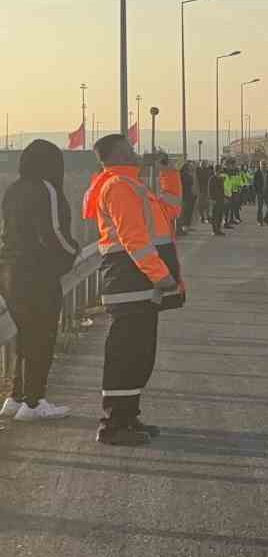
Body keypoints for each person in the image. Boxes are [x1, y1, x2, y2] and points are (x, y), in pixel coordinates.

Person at [85, 133, 177, 446]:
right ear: (118, 154)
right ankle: (112, 425)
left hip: (139, 284)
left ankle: (127, 416)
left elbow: (171, 210)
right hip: (130, 282)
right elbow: (133, 238)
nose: (136, 152)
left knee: (139, 355)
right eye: (130, 148)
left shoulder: (134, 186)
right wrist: (161, 276)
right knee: (125, 355)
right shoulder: (118, 187)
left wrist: (169, 173)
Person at [0, 140, 79, 422]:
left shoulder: (14, 189)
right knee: (42, 337)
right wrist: (74, 251)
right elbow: (54, 233)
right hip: (37, 275)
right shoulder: (46, 188)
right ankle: (34, 403)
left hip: (9, 271)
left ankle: (16, 397)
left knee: (25, 334)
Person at [178, 160, 197, 235]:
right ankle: (182, 228)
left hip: (189, 195)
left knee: (188, 212)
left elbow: (192, 186)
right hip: (184, 196)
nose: (190, 168)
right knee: (184, 212)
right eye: (189, 166)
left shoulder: (189, 176)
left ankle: (186, 227)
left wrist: (193, 194)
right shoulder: (181, 175)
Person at [207, 165, 226, 236]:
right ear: (216, 171)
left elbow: (222, 189)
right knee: (215, 215)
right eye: (219, 170)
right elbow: (210, 190)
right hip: (215, 200)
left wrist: (224, 197)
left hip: (220, 199)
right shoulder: (212, 179)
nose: (220, 172)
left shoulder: (220, 179)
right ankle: (214, 230)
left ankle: (218, 229)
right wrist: (212, 199)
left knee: (220, 215)